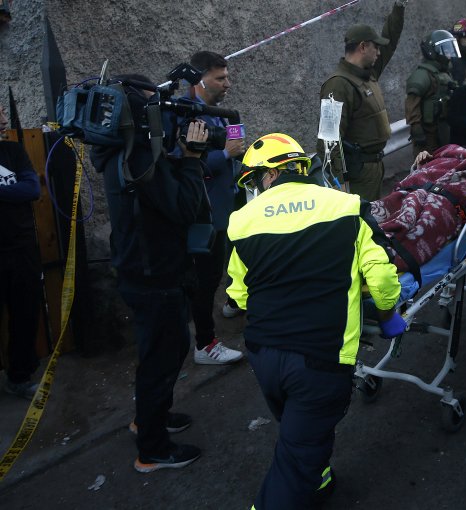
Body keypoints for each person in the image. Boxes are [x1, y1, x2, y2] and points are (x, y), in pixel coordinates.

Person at [227, 133, 404, 509]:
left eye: (253, 182)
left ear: (267, 176)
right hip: (320, 361)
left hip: (263, 353)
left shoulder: (242, 222)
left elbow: (240, 294)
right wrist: (388, 315)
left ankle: (319, 479)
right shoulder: (346, 206)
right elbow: (383, 281)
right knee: (294, 462)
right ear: (300, 167)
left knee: (298, 435)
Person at [91, 75, 209, 472]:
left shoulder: (120, 150)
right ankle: (153, 448)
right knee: (164, 355)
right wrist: (191, 160)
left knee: (159, 351)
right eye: (152, 103)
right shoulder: (140, 157)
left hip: (139, 267)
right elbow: (183, 209)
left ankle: (148, 419)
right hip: (155, 273)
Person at [181, 50, 244, 366]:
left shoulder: (223, 113)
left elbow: (238, 146)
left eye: (227, 77)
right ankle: (204, 344)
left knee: (231, 265)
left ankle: (236, 302)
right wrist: (226, 155)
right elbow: (187, 166)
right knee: (204, 281)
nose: (227, 83)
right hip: (203, 216)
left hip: (229, 210)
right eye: (220, 78)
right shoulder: (187, 116)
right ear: (198, 79)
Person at [317, 1, 405, 202]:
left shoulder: (368, 74)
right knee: (357, 226)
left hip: (373, 168)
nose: (380, 53)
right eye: (376, 47)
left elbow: (390, 40)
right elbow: (328, 140)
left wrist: (399, 7)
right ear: (363, 47)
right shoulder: (338, 85)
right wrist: (337, 184)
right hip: (356, 175)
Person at [0, 102, 42, 399]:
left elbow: (32, 189)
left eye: (3, 112)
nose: (4, 120)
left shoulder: (13, 151)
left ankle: (19, 376)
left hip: (22, 248)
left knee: (25, 314)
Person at [405, 29, 460, 154]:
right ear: (432, 51)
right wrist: (416, 127)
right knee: (425, 167)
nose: (449, 55)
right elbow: (412, 104)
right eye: (446, 50)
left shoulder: (444, 73)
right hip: (427, 133)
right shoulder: (422, 75)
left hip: (442, 129)